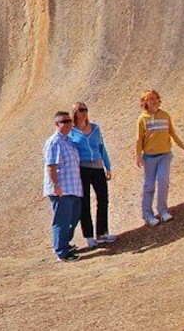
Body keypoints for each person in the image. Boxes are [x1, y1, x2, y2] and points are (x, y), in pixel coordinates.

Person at [135, 90, 184, 226]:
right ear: (145, 103)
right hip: (149, 157)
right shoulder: (142, 119)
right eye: (150, 99)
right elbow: (139, 139)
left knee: (163, 181)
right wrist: (138, 156)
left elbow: (172, 133)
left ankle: (162, 210)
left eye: (156, 98)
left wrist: (182, 146)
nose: (154, 101)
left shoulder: (165, 116)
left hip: (165, 155)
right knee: (149, 185)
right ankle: (147, 214)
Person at [69, 102, 117, 249]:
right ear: (75, 113)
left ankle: (102, 233)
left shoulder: (95, 128)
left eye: (85, 110)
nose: (84, 113)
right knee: (85, 203)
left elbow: (102, 148)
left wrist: (107, 166)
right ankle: (89, 236)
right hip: (82, 169)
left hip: (97, 167)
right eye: (80, 110)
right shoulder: (71, 132)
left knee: (103, 199)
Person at [43, 111, 83, 262]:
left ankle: (64, 243)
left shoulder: (68, 142)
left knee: (74, 217)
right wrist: (56, 185)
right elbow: (51, 166)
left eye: (69, 121)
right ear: (57, 124)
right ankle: (62, 252)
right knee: (62, 220)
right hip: (61, 189)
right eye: (63, 122)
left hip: (73, 188)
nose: (67, 124)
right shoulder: (54, 142)